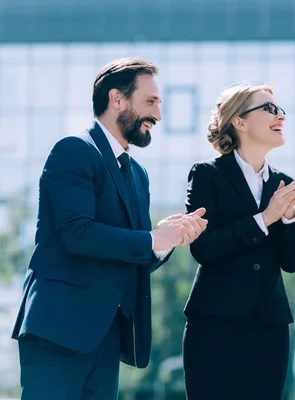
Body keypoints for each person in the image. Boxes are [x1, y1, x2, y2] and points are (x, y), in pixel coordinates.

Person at [12, 57, 207, 400]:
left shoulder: (137, 175)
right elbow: (78, 233)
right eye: (150, 102)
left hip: (107, 337)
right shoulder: (73, 151)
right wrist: (150, 239)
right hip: (59, 331)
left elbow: (132, 254)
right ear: (116, 99)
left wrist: (163, 243)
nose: (158, 116)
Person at [182, 83, 295, 399]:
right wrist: (266, 217)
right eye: (268, 108)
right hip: (214, 324)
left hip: (270, 328)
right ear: (239, 121)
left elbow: (293, 262)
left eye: (280, 109)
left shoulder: (283, 184)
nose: (279, 115)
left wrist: (289, 215)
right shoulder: (206, 174)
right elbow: (203, 248)